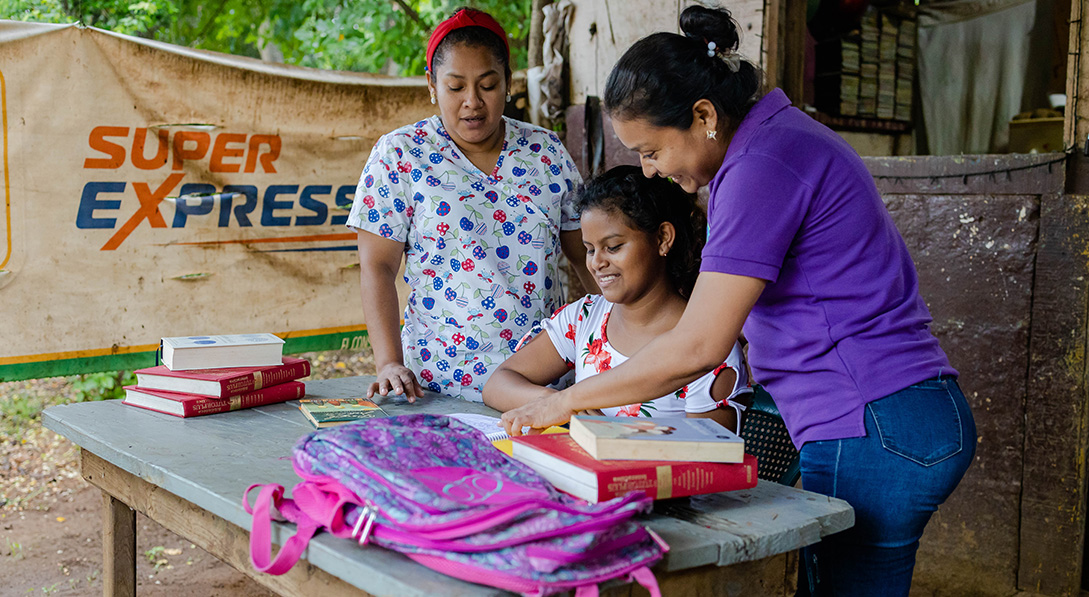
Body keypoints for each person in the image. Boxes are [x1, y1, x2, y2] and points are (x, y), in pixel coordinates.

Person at [498, 6, 975, 596]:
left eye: (650, 151)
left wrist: (562, 403)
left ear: (703, 116)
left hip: (872, 421)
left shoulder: (762, 165)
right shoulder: (770, 146)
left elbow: (698, 346)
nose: (650, 170)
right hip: (888, 415)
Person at [346, 7, 596, 403]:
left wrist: (624, 340)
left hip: (543, 378)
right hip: (435, 383)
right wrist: (389, 363)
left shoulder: (545, 152)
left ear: (508, 83)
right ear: (431, 85)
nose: (472, 102)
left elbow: (586, 256)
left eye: (487, 84)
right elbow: (377, 266)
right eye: (456, 87)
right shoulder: (400, 155)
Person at [483, 166, 752, 431]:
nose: (597, 262)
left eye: (613, 247)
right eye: (589, 250)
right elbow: (498, 384)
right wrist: (559, 405)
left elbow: (708, 462)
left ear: (662, 238)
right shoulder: (585, 319)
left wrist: (613, 433)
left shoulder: (706, 346)